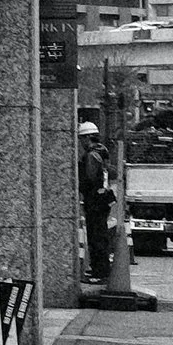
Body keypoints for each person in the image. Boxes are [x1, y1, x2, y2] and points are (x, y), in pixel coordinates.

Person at [78, 120, 114, 284]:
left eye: (82, 139)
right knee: (100, 235)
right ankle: (101, 269)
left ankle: (100, 272)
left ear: (88, 138)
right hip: (102, 199)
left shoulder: (92, 155)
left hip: (94, 200)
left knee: (96, 237)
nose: (81, 143)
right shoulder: (103, 152)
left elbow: (90, 178)